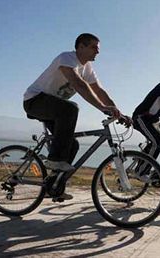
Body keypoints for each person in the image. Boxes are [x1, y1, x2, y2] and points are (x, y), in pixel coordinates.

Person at [23, 33, 131, 178]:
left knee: (72, 145)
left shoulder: (87, 68)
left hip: (55, 109)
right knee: (71, 108)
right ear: (81, 47)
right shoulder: (67, 58)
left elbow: (99, 91)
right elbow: (79, 85)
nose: (98, 51)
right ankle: (54, 160)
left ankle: (54, 186)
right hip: (35, 101)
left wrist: (118, 112)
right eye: (94, 47)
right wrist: (102, 107)